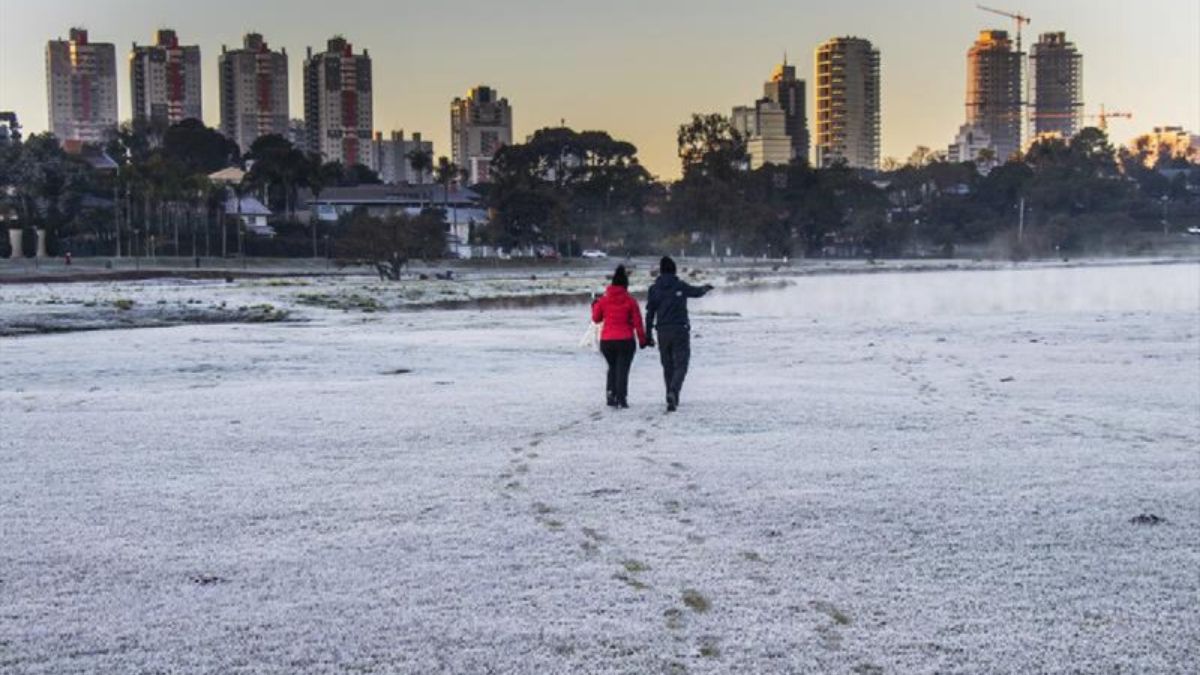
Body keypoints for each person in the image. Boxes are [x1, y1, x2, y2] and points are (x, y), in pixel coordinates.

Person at [645, 256, 713, 412]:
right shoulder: (680, 285)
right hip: (680, 330)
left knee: (667, 365)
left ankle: (670, 393)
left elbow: (649, 313)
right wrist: (705, 288)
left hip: (662, 331)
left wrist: (647, 335)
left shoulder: (654, 289)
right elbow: (696, 293)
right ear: (674, 270)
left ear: (661, 271)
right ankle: (673, 391)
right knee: (681, 364)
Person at [591, 265, 648, 408]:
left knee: (612, 367)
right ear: (626, 285)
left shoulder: (603, 300)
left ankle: (611, 395)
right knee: (622, 369)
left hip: (607, 341)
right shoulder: (630, 301)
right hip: (625, 340)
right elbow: (638, 323)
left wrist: (594, 305)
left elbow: (596, 319)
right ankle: (621, 398)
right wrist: (642, 340)